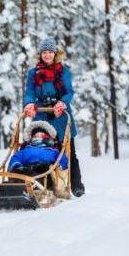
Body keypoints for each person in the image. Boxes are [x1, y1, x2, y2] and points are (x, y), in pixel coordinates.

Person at [22, 37, 85, 197]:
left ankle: (76, 185)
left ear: (55, 54)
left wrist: (62, 103)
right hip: (42, 114)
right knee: (39, 147)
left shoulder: (62, 71)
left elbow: (69, 92)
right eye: (45, 52)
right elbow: (29, 92)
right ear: (40, 54)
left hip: (61, 116)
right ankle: (38, 181)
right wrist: (29, 104)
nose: (47, 55)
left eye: (50, 52)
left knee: (69, 151)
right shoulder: (33, 73)